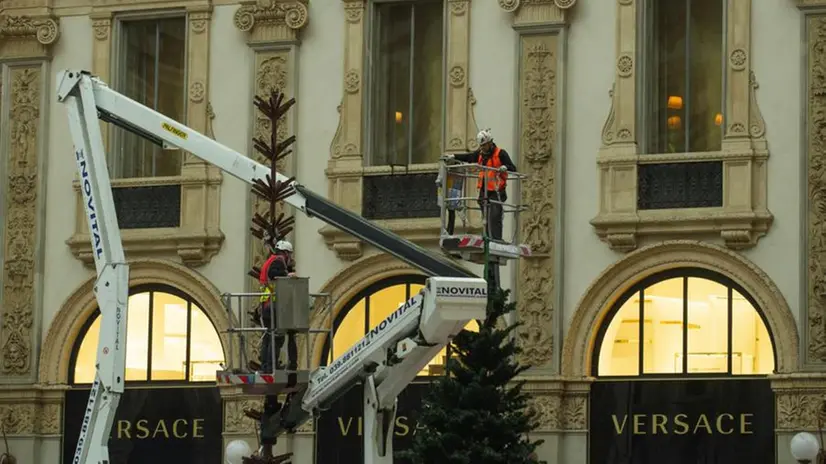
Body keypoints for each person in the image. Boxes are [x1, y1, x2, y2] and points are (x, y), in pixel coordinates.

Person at [255, 235, 297, 460]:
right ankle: (270, 364)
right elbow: (278, 278)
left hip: (266, 305)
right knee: (275, 339)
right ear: (286, 253)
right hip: (272, 305)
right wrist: (290, 276)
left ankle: (267, 364)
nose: (290, 259)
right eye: (290, 256)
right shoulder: (277, 262)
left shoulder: (270, 261)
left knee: (269, 338)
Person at [444, 128, 517, 240]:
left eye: (484, 145)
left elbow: (513, 168)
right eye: (481, 146)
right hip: (484, 192)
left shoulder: (501, 154)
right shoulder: (480, 155)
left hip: (497, 192)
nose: (482, 148)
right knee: (486, 218)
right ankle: (488, 238)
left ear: (490, 143)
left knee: (494, 216)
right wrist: (454, 156)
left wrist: (505, 167)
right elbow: (468, 157)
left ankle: (496, 240)